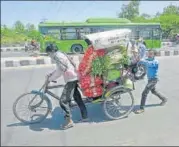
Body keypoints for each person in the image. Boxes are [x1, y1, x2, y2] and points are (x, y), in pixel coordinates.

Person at [46, 44, 88, 129]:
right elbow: (59, 68)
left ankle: (69, 121)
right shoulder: (60, 54)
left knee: (63, 101)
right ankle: (85, 116)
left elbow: (61, 70)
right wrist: (52, 74)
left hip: (71, 79)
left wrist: (50, 79)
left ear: (52, 52)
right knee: (77, 97)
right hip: (73, 77)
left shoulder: (58, 57)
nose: (49, 56)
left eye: (49, 53)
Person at [135, 50, 167, 114]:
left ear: (153, 55)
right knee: (153, 91)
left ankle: (142, 108)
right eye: (148, 53)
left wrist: (143, 61)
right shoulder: (147, 59)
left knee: (144, 93)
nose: (149, 55)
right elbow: (141, 61)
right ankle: (164, 99)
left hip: (154, 79)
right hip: (150, 79)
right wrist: (138, 59)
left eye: (150, 54)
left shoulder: (155, 62)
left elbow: (149, 64)